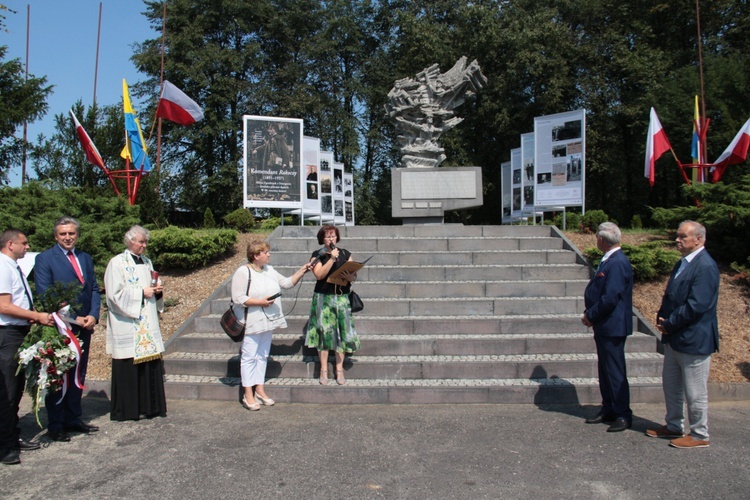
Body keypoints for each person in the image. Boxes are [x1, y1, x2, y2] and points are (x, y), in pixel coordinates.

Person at [646, 221, 719, 449]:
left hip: (693, 340)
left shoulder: (705, 266)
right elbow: (672, 296)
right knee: (672, 385)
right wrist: (662, 318)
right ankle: (673, 425)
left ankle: (699, 433)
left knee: (695, 391)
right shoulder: (683, 263)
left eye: (682, 236)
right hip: (675, 338)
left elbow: (697, 305)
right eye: (677, 236)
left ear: (698, 239)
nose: (677, 240)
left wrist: (671, 323)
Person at [34, 216, 101, 442]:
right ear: (56, 236)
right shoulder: (45, 259)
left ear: (77, 235)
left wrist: (93, 315)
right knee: (59, 375)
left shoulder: (85, 258)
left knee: (78, 373)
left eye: (71, 233)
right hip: (62, 327)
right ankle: (56, 424)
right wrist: (74, 318)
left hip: (85, 326)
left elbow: (93, 288)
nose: (67, 237)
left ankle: (73, 418)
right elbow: (46, 293)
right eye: (63, 234)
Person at [232, 239, 310, 411]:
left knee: (262, 355)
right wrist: (260, 302)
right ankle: (248, 393)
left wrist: (303, 270)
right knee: (249, 356)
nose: (269, 254)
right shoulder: (243, 272)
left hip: (268, 320)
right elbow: (238, 298)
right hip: (251, 321)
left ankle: (259, 389)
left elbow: (287, 283)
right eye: (265, 252)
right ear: (256, 255)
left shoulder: (270, 270)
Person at [0, 229, 55, 465]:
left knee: (16, 388)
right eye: (24, 243)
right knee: (8, 391)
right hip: (7, 333)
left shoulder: (12, 265)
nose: (27, 245)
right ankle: (5, 445)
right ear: (10, 244)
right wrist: (35, 315)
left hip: (17, 330)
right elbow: (4, 306)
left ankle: (12, 435)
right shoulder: (3, 266)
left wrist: (28, 317)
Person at [104, 225, 167, 421]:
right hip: (128, 322)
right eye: (141, 242)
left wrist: (157, 291)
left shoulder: (147, 262)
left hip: (146, 320)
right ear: (130, 241)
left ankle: (150, 407)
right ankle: (128, 409)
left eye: (145, 242)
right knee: (128, 366)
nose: (144, 245)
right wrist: (141, 293)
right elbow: (114, 295)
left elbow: (151, 287)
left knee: (149, 365)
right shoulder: (117, 263)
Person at [582, 222, 633, 432]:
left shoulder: (617, 262)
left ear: (602, 240)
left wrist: (590, 315)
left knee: (615, 371)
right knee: (605, 370)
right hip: (605, 326)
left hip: (612, 326)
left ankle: (622, 413)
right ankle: (609, 408)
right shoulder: (609, 260)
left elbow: (610, 297)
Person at [305, 225, 361, 385]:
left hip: (342, 297)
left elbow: (353, 274)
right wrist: (331, 259)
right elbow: (319, 275)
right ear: (322, 239)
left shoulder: (345, 254)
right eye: (328, 236)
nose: (331, 239)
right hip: (324, 298)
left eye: (334, 236)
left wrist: (351, 277)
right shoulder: (318, 255)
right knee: (324, 333)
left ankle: (339, 369)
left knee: (341, 334)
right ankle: (323, 370)